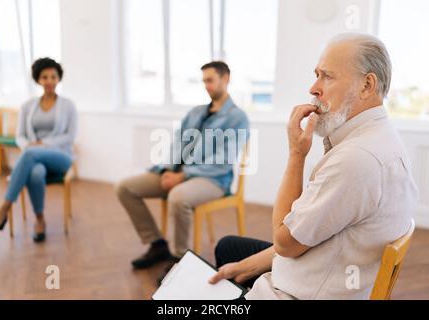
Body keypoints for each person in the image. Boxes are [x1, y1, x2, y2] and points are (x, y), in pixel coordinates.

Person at [209, 33, 418, 299]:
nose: (314, 88)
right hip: (329, 267)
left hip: (296, 292)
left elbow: (285, 243)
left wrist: (296, 154)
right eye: (316, 74)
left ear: (367, 85)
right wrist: (245, 267)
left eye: (327, 76)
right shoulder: (383, 137)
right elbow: (311, 231)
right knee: (230, 249)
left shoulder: (355, 159)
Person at [116, 61, 249, 269]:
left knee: (178, 197)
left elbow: (224, 160)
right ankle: (157, 243)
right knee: (125, 188)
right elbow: (177, 141)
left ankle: (179, 259)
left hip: (212, 179)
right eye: (204, 81)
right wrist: (169, 169)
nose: (207, 85)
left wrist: (183, 175)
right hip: (176, 173)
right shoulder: (195, 112)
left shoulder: (238, 118)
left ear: (226, 78)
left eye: (210, 80)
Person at [0, 58, 78, 243]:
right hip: (34, 158)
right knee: (35, 174)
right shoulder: (27, 106)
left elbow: (70, 136)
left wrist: (42, 144)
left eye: (53, 77)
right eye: (44, 77)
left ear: (59, 79)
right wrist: (29, 145)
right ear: (38, 80)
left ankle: (4, 208)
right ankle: (40, 221)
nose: (49, 81)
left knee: (30, 153)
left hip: (61, 156)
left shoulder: (68, 106)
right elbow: (20, 136)